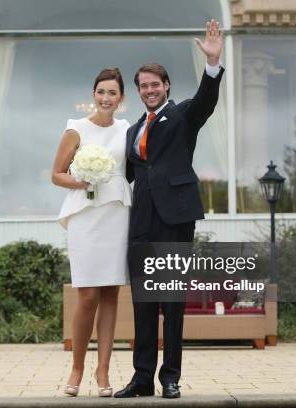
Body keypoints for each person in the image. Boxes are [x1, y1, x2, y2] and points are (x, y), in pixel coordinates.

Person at [114, 19, 225, 399]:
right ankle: (141, 377)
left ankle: (170, 378)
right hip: (140, 221)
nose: (149, 90)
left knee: (172, 302)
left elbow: (207, 101)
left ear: (166, 87)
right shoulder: (131, 131)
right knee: (143, 303)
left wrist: (212, 64)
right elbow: (126, 174)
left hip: (174, 218)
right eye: (143, 86)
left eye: (154, 84)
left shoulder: (182, 116)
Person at [52, 67, 132, 398]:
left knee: (111, 293)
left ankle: (103, 372)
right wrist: (81, 179)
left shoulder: (128, 130)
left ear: (121, 98)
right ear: (93, 95)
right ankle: (77, 367)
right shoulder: (76, 129)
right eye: (101, 91)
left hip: (116, 214)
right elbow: (56, 174)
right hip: (86, 216)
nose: (106, 98)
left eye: (112, 92)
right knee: (87, 295)